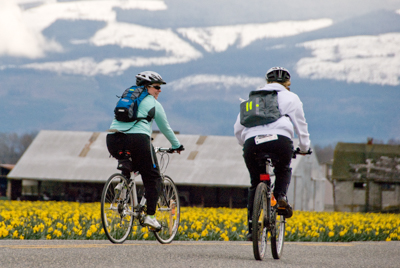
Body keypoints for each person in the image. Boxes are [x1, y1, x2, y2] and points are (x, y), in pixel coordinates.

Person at [234, 66, 311, 240]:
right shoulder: (291, 97)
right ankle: (280, 197)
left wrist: (244, 143)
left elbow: (238, 127)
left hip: (252, 142)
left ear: (267, 82)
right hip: (280, 140)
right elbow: (301, 126)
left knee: (256, 181)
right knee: (283, 168)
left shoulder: (253, 97)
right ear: (287, 83)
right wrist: (305, 148)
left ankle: (252, 228)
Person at [106, 71, 184, 230]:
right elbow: (166, 128)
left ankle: (122, 184)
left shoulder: (125, 99)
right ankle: (150, 217)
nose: (159, 90)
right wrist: (177, 145)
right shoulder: (153, 103)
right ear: (147, 87)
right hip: (138, 140)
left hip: (112, 139)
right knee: (153, 178)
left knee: (130, 161)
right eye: (157, 87)